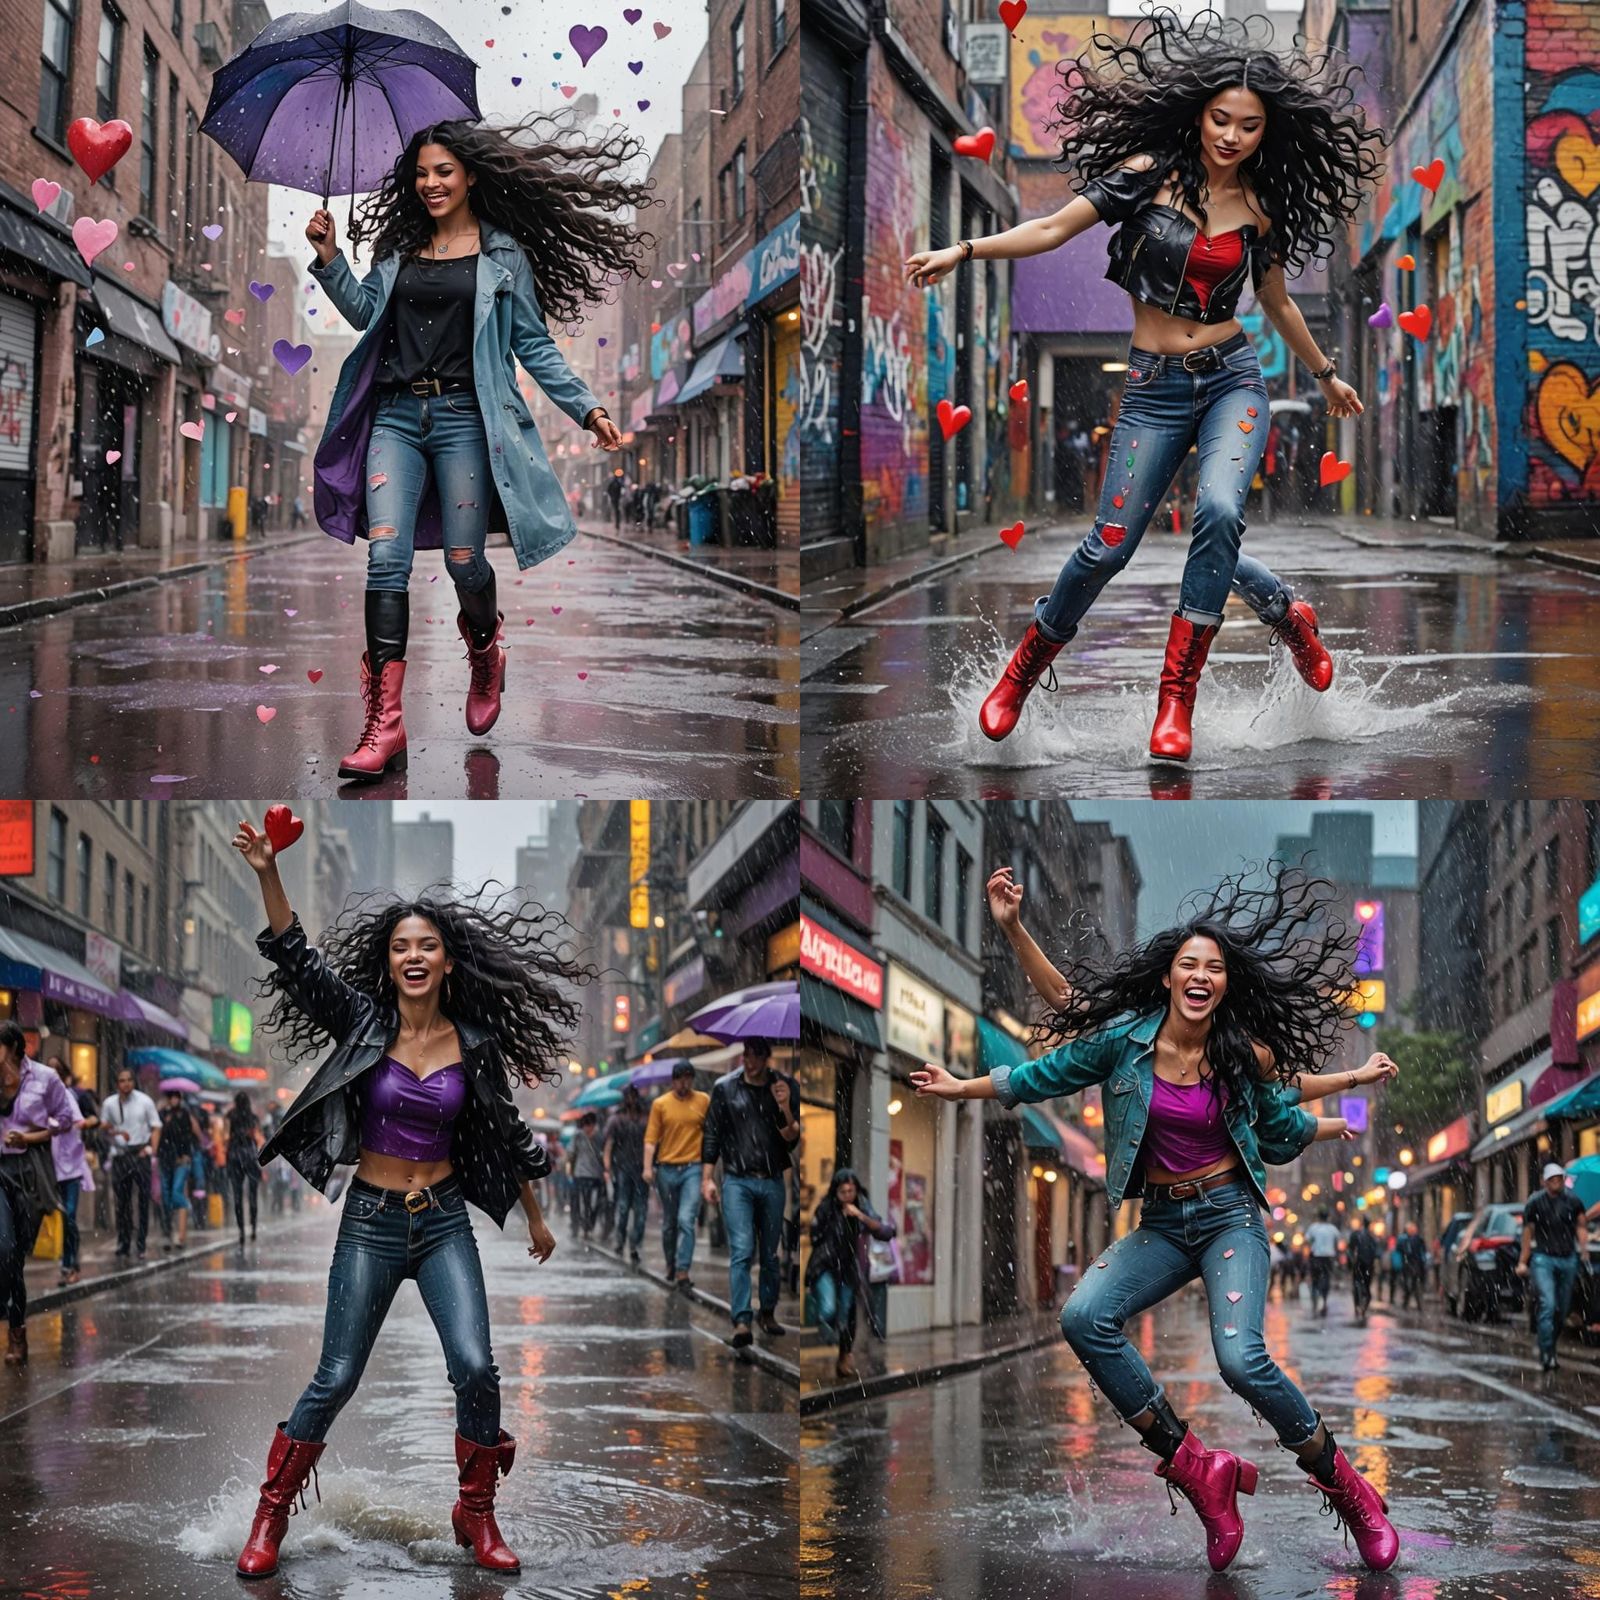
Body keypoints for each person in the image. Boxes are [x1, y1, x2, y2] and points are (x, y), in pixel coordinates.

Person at [904, 9, 1378, 761]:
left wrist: (1325, 376)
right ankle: (1023, 677)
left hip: (1232, 379)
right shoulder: (1145, 177)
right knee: (1109, 546)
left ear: (1266, 132)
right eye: (1220, 118)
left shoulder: (1262, 206)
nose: (1231, 135)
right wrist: (964, 249)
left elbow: (1278, 301)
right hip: (1155, 389)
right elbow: (1053, 228)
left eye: (1248, 126)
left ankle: (1175, 703)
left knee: (1218, 513)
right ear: (1198, 114)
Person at [912, 861, 1399, 1574]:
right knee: (1084, 1317)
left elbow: (1280, 1115)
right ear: (1169, 977)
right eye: (1188, 964)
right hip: (1165, 1226)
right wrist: (967, 1079)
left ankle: (1350, 1491)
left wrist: (1338, 1107)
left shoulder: (1238, 1053)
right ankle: (1198, 1468)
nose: (1201, 976)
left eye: (1215, 968)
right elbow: (1050, 1053)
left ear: (1225, 984)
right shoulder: (1126, 1044)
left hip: (1231, 1216)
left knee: (1240, 1359)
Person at [229, 815, 586, 1577]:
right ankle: (270, 1515)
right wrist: (268, 870)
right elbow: (297, 957)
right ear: (388, 964)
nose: (414, 956)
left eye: (427, 945)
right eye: (401, 947)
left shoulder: (476, 1046)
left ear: (447, 962)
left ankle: (478, 1517)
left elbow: (507, 1132)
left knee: (476, 1367)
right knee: (337, 1375)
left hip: (446, 1219)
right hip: (371, 1222)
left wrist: (537, 1216)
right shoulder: (363, 1023)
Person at [304, 120, 647, 783]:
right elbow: (361, 311)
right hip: (396, 420)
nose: (430, 184)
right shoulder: (399, 248)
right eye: (422, 173)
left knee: (466, 562)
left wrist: (589, 407)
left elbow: (534, 346)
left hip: (465, 418)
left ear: (471, 179)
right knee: (386, 560)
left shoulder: (504, 257)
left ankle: (485, 650)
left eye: (444, 172)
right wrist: (328, 257)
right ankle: (386, 725)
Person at [702, 1039, 801, 1350]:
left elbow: (791, 1140)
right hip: (737, 1181)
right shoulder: (724, 1088)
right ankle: (742, 1320)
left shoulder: (784, 1086)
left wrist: (784, 1106)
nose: (750, 1060)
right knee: (742, 1250)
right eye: (746, 1054)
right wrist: (708, 1178)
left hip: (772, 1180)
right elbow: (712, 1133)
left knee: (770, 1254)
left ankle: (767, 1313)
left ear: (767, 1058)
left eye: (756, 1055)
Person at [0, 1023, 80, 1366]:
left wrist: (31, 1137)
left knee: (16, 1257)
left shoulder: (45, 1078)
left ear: (15, 1048)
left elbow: (66, 1118)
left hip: (31, 1170)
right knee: (3, 1246)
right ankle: (12, 1325)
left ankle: (18, 1332)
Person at [807, 1168, 897, 1380]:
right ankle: (826, 1332)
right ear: (835, 1192)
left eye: (851, 1191)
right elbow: (815, 1235)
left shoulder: (861, 1204)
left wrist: (860, 1216)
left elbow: (883, 1232)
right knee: (828, 1308)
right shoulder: (826, 1207)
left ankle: (844, 1357)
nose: (848, 1196)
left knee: (847, 1315)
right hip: (826, 1265)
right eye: (843, 1192)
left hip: (849, 1269)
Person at [644, 1060, 710, 1291]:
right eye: (680, 1078)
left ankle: (683, 1270)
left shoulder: (703, 1101)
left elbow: (710, 1134)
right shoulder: (660, 1104)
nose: (684, 1083)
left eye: (688, 1078)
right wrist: (646, 1167)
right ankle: (671, 1264)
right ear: (673, 1081)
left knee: (686, 1220)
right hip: (667, 1169)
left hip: (693, 1167)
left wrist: (708, 1172)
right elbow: (651, 1139)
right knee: (669, 1224)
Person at [1517, 1162, 1589, 1372]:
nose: (1556, 1182)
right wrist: (1523, 1260)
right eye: (1551, 1179)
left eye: (1558, 1178)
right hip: (1543, 1259)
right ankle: (1545, 1351)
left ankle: (1551, 1348)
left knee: (1562, 1309)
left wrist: (1583, 1249)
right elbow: (1528, 1233)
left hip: (1568, 1258)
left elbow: (1581, 1225)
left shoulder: (1573, 1201)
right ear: (1544, 1181)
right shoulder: (1535, 1203)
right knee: (1548, 1304)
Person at [100, 1066, 161, 1263]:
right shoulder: (109, 1103)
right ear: (117, 1083)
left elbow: (156, 1126)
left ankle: (141, 1243)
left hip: (140, 1153)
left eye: (129, 1080)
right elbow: (103, 1127)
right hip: (121, 1155)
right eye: (122, 1080)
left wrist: (151, 1150)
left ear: (134, 1082)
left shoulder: (145, 1101)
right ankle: (123, 1242)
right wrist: (114, 1134)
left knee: (143, 1201)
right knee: (122, 1202)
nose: (126, 1084)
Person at [49, 1055, 99, 1287]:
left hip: (71, 1165)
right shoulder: (39, 1096)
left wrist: (70, 1124)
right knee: (55, 1216)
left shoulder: (69, 1096)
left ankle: (70, 1264)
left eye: (56, 1070)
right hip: (49, 1167)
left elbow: (86, 1120)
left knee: (69, 1216)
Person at [604, 1085, 649, 1264]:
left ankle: (635, 1244)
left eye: (633, 1096)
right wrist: (607, 1167)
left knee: (640, 1211)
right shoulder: (616, 1119)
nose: (631, 1100)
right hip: (622, 1169)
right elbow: (609, 1144)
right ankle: (621, 1240)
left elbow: (651, 1141)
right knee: (623, 1208)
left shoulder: (644, 1118)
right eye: (628, 1096)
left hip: (640, 1170)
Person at [157, 1089, 201, 1251]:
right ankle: (168, 1232)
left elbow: (189, 1136)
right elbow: (157, 1134)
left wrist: (186, 1154)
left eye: (176, 1097)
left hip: (182, 1160)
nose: (174, 1100)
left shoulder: (185, 1115)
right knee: (166, 1196)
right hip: (165, 1159)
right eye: (171, 1097)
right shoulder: (162, 1114)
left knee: (176, 1192)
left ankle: (181, 1235)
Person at [227, 1091, 265, 1248]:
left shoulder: (230, 1116)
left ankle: (241, 1230)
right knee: (252, 1195)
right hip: (250, 1157)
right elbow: (258, 1137)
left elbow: (225, 1136)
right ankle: (253, 1227)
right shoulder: (253, 1118)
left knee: (237, 1196)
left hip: (235, 1156)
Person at [568, 1111, 606, 1241]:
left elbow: (604, 1154)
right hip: (581, 1174)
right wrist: (571, 1170)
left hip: (596, 1175)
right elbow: (571, 1153)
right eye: (586, 1126)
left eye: (590, 1125)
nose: (588, 1129)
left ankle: (588, 1225)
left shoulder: (600, 1137)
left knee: (596, 1203)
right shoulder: (578, 1136)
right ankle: (584, 1226)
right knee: (584, 1202)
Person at [1305, 1210, 1341, 1317]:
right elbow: (1337, 1242)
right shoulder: (1333, 1229)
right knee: (1326, 1279)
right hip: (1328, 1258)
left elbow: (1307, 1240)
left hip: (1316, 1257)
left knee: (1315, 1279)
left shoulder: (1313, 1228)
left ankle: (1315, 1299)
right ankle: (1324, 1301)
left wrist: (1314, 1244)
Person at [1347, 1216, 1377, 1322]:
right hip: (1367, 1265)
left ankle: (1358, 1305)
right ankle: (1362, 1306)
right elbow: (1376, 1252)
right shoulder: (1371, 1237)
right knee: (1366, 1286)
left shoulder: (1357, 1234)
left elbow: (1350, 1249)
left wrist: (1351, 1262)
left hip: (1359, 1264)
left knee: (1357, 1284)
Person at [1398, 1221, 1428, 1310]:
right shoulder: (1406, 1239)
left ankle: (1411, 1304)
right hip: (1410, 1265)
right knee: (1411, 1285)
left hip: (1414, 1265)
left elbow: (1421, 1252)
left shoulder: (1416, 1239)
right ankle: (1411, 1304)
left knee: (1412, 1285)